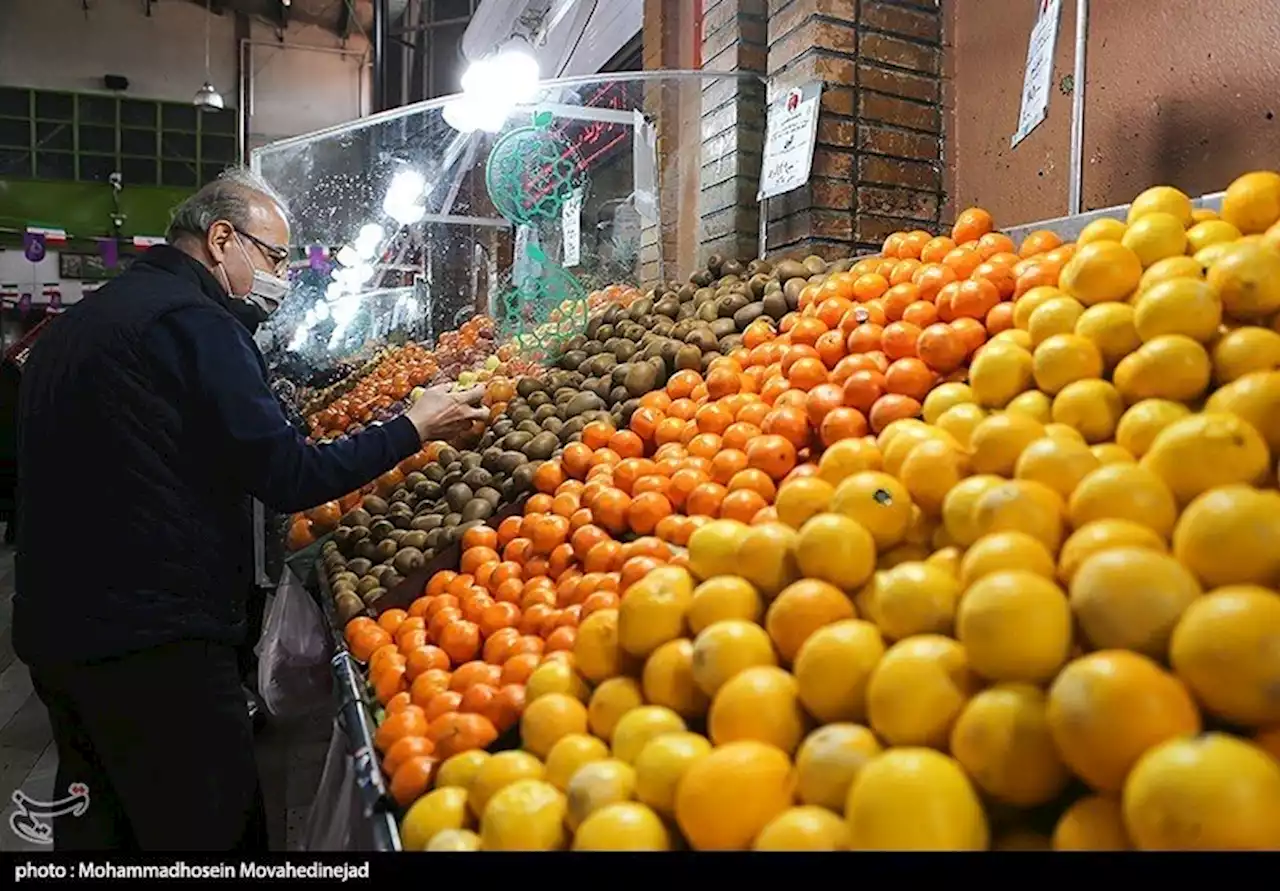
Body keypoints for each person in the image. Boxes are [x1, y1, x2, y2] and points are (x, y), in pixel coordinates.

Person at [13, 168, 489, 852]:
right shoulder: (195, 322)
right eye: (273, 257)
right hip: (155, 641)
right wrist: (412, 426)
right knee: (210, 828)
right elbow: (288, 472)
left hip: (57, 632)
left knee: (100, 825)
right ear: (221, 238)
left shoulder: (82, 322)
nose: (283, 276)